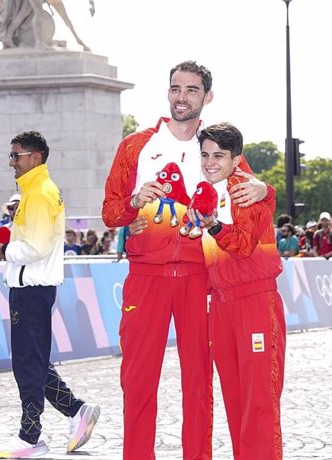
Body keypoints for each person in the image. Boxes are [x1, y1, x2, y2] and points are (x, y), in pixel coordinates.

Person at [101, 61, 268, 460]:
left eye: (192, 90)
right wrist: (134, 203)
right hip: (146, 277)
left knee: (198, 384)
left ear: (206, 97)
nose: (182, 97)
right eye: (176, 88)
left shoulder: (215, 149)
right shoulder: (136, 146)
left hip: (200, 279)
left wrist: (264, 187)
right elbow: (110, 213)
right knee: (138, 381)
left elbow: (253, 191)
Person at [0, 131, 99, 458]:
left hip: (32, 287)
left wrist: (4, 250)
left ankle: (31, 434)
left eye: (15, 155)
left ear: (34, 157)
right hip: (32, 287)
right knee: (33, 362)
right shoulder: (38, 190)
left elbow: (36, 247)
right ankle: (76, 411)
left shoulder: (38, 192)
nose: (11, 162)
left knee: (27, 364)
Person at [187, 122, 285, 460]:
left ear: (236, 159)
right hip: (222, 306)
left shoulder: (247, 190)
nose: (210, 162)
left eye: (219, 156)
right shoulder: (208, 192)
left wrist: (211, 224)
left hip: (255, 302)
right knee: (235, 398)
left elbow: (242, 246)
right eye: (205, 155)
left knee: (258, 402)